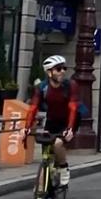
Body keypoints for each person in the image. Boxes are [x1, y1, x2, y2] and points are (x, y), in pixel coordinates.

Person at [26, 54, 80, 185]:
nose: (62, 71)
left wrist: (69, 129)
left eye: (64, 68)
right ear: (49, 72)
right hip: (52, 120)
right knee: (46, 155)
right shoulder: (42, 87)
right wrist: (26, 128)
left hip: (69, 120)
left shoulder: (70, 85)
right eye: (58, 69)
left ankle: (64, 167)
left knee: (57, 144)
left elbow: (73, 108)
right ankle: (41, 191)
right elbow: (33, 108)